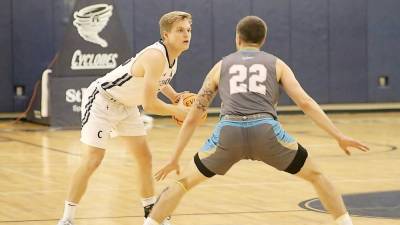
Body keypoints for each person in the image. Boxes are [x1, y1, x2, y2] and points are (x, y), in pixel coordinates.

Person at [144, 16, 369, 225]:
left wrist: (174, 158)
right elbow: (305, 102)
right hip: (266, 131)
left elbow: (194, 115)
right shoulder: (276, 64)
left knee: (182, 183)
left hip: (228, 132)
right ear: (263, 39)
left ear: (237, 38)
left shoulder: (220, 66)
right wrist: (338, 136)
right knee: (318, 177)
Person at [56, 11, 193, 225]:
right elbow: (148, 105)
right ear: (165, 36)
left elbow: (159, 81)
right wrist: (177, 111)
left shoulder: (171, 58)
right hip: (103, 99)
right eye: (180, 30)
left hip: (127, 106)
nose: (186, 34)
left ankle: (150, 212)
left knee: (144, 158)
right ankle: (67, 218)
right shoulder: (155, 56)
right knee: (93, 159)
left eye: (188, 30)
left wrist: (174, 97)